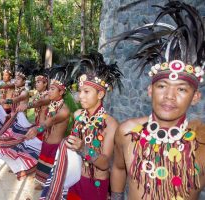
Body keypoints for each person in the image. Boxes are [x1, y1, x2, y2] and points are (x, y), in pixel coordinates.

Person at [106, 2, 205, 200]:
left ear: (195, 97)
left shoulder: (202, 142)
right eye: (162, 86)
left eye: (182, 89)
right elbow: (118, 168)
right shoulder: (126, 132)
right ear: (150, 90)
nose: (169, 95)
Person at [40, 52, 123, 200]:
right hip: (74, 177)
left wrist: (83, 148)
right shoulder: (78, 114)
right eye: (79, 91)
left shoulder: (110, 124)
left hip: (95, 183)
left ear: (100, 94)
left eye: (86, 92)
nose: (80, 96)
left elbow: (104, 164)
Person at [26, 65, 72, 190]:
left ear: (61, 92)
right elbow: (42, 116)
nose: (49, 91)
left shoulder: (64, 110)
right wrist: (41, 111)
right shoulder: (51, 104)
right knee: (41, 181)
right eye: (49, 89)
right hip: (46, 143)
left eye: (52, 89)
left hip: (55, 147)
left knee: (52, 183)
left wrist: (37, 130)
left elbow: (49, 122)